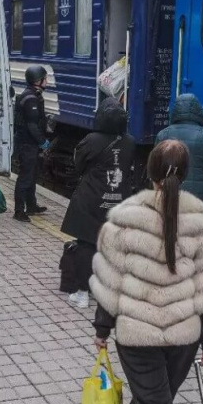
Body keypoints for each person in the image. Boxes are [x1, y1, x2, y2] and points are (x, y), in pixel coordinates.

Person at [90, 139, 203, 404]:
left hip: (136, 334)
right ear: (187, 173)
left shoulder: (125, 219)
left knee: (156, 401)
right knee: (159, 402)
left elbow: (112, 279)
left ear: (149, 172)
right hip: (183, 335)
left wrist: (103, 327)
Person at [60, 99, 134, 308]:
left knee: (86, 244)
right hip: (119, 201)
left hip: (91, 199)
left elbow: (78, 165)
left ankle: (82, 293)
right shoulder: (130, 141)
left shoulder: (91, 140)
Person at [155, 94, 203, 208]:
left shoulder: (163, 135)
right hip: (201, 198)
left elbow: (156, 169)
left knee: (172, 225)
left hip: (171, 194)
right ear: (198, 110)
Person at [13, 65, 49, 222]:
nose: (47, 81)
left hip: (29, 143)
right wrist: (43, 142)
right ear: (38, 80)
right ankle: (19, 211)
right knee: (25, 177)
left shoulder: (33, 95)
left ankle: (32, 206)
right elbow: (32, 125)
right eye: (45, 78)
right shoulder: (31, 98)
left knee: (32, 175)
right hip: (27, 144)